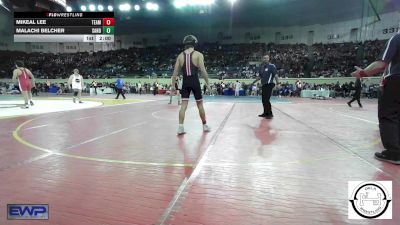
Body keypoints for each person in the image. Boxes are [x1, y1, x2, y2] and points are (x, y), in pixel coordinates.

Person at [351, 31, 400, 165]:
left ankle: (394, 153)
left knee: (388, 115)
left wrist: (362, 72)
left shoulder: (396, 38)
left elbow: (381, 64)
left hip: (395, 80)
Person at [171, 35, 211, 135]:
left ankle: (180, 127)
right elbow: (203, 71)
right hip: (194, 81)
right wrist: (208, 84)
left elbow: (175, 73)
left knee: (183, 106)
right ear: (194, 43)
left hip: (186, 82)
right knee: (200, 104)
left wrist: (173, 85)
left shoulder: (180, 56)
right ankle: (205, 125)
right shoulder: (198, 55)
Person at [252, 55, 279, 119]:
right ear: (262, 59)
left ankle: (270, 114)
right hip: (263, 85)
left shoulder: (272, 66)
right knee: (263, 100)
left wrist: (278, 83)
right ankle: (265, 113)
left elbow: (276, 75)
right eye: (264, 58)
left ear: (269, 59)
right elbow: (259, 77)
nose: (265, 59)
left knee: (266, 99)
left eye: (267, 58)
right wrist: (253, 82)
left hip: (269, 84)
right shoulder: (262, 67)